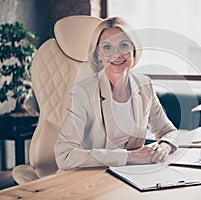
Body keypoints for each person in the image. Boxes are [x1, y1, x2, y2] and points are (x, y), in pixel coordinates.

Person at [54, 16, 178, 170]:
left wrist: (164, 147)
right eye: (107, 47)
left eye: (123, 45)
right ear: (98, 54)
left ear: (134, 49)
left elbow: (168, 131)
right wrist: (130, 157)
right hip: (89, 176)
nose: (116, 54)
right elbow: (64, 155)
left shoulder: (144, 85)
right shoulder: (83, 92)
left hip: (129, 174)